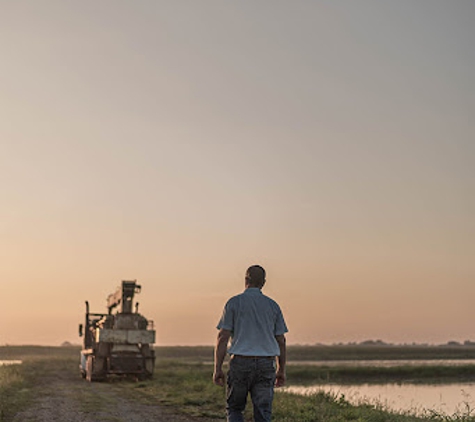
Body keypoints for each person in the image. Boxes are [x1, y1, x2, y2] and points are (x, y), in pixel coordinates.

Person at [213, 265, 288, 422]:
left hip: (240, 362)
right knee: (263, 412)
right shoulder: (273, 306)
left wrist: (218, 368)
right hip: (266, 363)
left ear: (246, 279)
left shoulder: (233, 303)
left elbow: (222, 337)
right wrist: (281, 369)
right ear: (264, 282)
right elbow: (281, 340)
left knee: (234, 408)